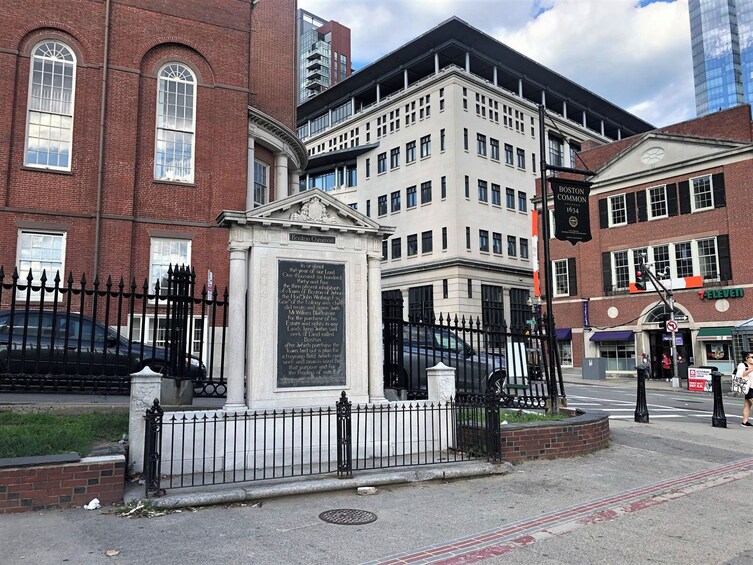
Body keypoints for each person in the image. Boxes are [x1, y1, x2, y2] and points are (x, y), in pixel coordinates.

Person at [736, 351, 753, 427]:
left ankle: (744, 422)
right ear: (747, 358)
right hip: (748, 388)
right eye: (752, 357)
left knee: (747, 405)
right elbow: (740, 375)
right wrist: (750, 369)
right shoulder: (743, 365)